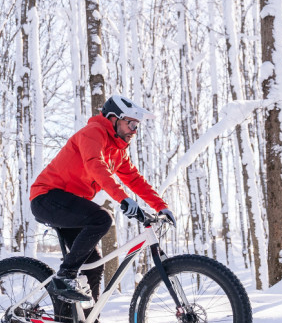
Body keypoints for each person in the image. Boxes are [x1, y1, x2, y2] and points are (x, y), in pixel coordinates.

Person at [30, 94, 175, 303]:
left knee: (94, 264)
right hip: (47, 197)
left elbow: (134, 179)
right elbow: (95, 165)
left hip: (70, 205)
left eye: (137, 126)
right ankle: (64, 276)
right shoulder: (93, 133)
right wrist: (123, 199)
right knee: (102, 218)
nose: (134, 131)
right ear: (114, 119)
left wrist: (162, 207)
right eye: (131, 124)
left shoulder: (118, 152)